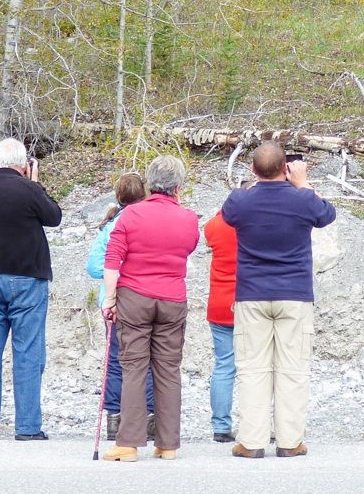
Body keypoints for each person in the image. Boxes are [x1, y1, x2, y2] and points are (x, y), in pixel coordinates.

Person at [221, 143, 336, 459]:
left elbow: (228, 213)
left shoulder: (241, 201)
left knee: (252, 369)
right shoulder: (302, 200)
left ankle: (251, 441)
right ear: (286, 168)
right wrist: (304, 184)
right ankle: (290, 441)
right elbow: (327, 214)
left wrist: (253, 185)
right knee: (293, 368)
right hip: (294, 294)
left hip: (252, 295)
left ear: (253, 169)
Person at [101, 156, 199, 462]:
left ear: (149, 184)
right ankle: (167, 444)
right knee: (168, 369)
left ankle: (128, 443)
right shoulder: (189, 218)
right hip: (172, 299)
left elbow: (112, 261)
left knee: (134, 367)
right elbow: (188, 248)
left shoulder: (130, 215)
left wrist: (110, 299)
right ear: (178, 187)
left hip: (135, 297)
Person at [0, 138, 62, 441]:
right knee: (27, 351)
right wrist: (35, 184)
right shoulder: (28, 190)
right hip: (26, 279)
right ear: (24, 164)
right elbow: (54, 217)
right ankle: (27, 426)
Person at [85, 173, 156, 441]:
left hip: (112, 300)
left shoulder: (111, 225)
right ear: (145, 195)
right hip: (140, 296)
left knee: (115, 360)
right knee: (147, 358)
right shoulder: (147, 222)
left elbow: (94, 266)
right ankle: (148, 417)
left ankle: (114, 418)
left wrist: (114, 270)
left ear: (119, 197)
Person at [202, 181, 252, 443]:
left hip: (220, 302)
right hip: (251, 300)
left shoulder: (214, 225)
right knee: (256, 367)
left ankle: (221, 426)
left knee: (224, 365)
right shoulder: (254, 224)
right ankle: (255, 425)